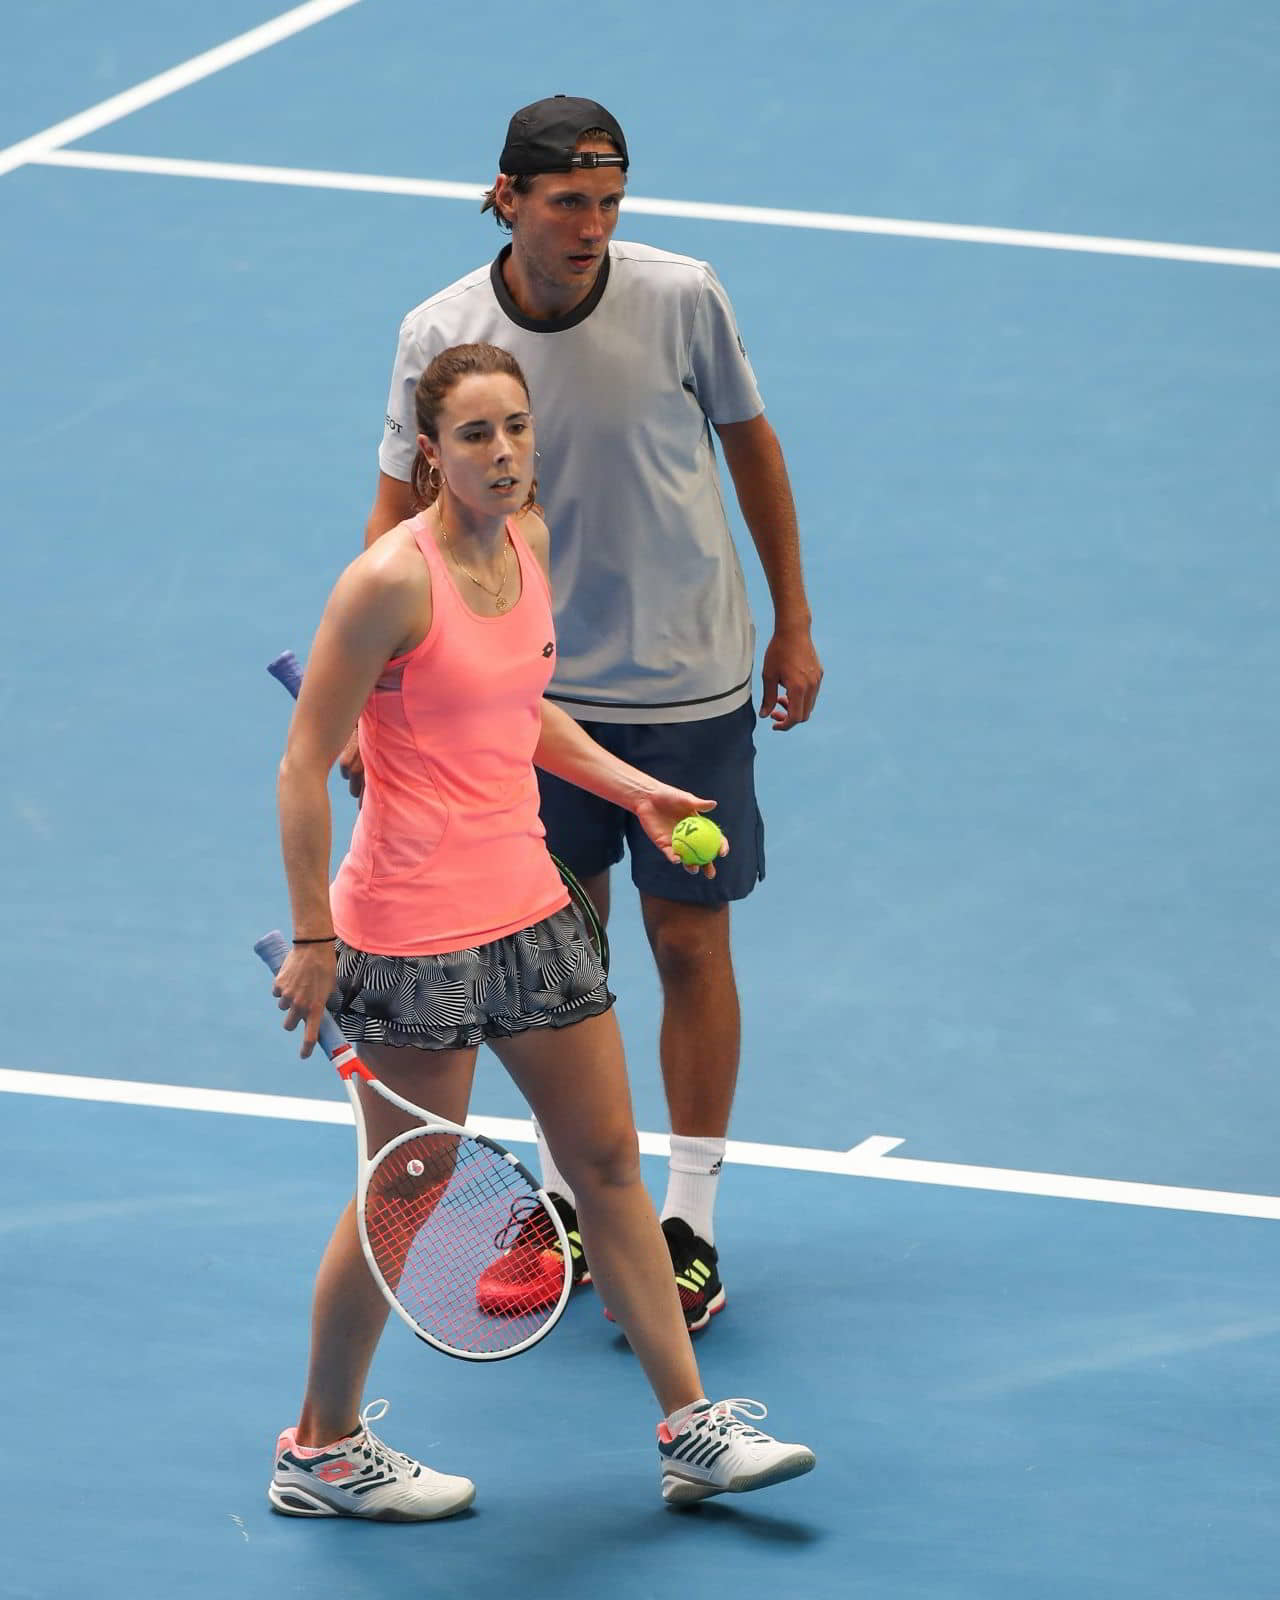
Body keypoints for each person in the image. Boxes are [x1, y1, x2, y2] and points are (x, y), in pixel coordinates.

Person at [267, 342, 815, 1519]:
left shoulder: (528, 540)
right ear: (430, 452)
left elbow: (521, 711)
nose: (504, 452)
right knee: (405, 1192)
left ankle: (690, 1429)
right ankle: (319, 1448)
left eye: (515, 428)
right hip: (411, 933)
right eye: (475, 435)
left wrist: (634, 790)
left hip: (530, 905)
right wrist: (316, 937)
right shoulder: (384, 585)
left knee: (611, 1165)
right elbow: (303, 764)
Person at [348, 95, 824, 1331]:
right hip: (524, 693)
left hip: (687, 679)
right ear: (505, 196)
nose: (593, 228)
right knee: (558, 962)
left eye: (610, 205)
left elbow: (752, 449)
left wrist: (794, 621)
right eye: (569, 203)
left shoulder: (680, 295)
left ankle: (687, 1226)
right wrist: (370, 697)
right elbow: (396, 512)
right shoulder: (440, 334)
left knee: (687, 947)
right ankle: (563, 1209)